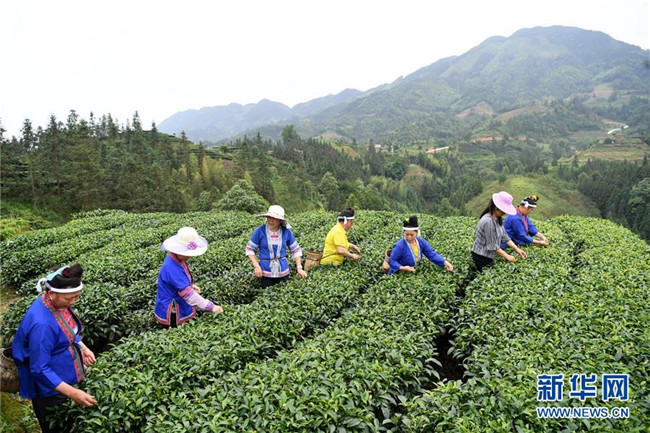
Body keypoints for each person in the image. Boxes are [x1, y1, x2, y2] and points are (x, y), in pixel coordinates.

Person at [12, 264, 97, 433]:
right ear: (51, 293)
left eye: (77, 296)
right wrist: (73, 393)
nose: (73, 302)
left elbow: (66, 328)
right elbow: (39, 369)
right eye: (69, 298)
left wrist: (82, 347)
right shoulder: (42, 325)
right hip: (49, 387)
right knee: (56, 426)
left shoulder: (54, 303)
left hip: (62, 369)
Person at [155, 227, 223, 327]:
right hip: (173, 310)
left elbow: (181, 280)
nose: (189, 256)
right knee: (176, 331)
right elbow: (188, 294)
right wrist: (211, 307)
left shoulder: (176, 259)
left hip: (179, 302)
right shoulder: (171, 267)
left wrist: (191, 285)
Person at [246, 205, 307, 288]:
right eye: (269, 217)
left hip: (283, 271)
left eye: (274, 218)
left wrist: (299, 268)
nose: (270, 220)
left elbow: (295, 250)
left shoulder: (286, 232)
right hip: (265, 272)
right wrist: (256, 266)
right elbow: (250, 249)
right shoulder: (259, 231)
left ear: (280, 220)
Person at [472, 191, 528, 272]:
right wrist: (507, 256)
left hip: (489, 255)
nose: (504, 212)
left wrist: (517, 249)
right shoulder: (488, 221)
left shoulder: (497, 219)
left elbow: (504, 236)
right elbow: (492, 245)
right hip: (481, 256)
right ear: (496, 207)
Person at [387, 215, 454, 275]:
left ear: (416, 233)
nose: (409, 237)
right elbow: (392, 261)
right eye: (407, 234)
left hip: (413, 271)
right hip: (399, 273)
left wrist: (445, 263)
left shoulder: (421, 242)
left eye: (411, 235)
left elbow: (431, 254)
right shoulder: (400, 245)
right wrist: (402, 268)